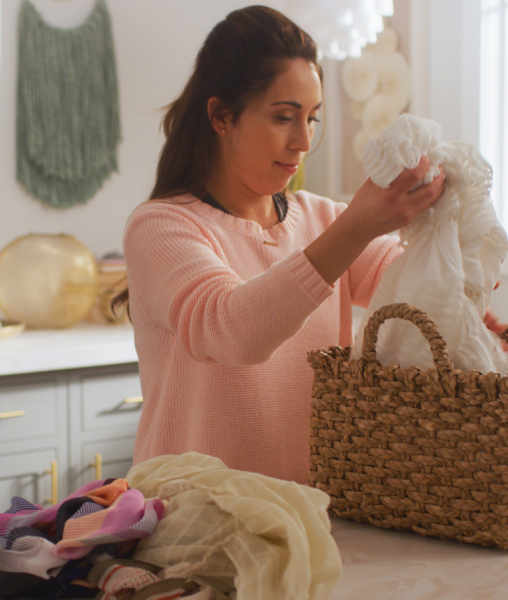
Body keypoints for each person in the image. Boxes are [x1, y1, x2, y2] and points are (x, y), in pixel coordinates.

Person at [117, 5, 447, 484]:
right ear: (221, 116)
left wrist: (457, 256)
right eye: (283, 117)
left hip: (309, 519)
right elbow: (230, 331)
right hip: (191, 520)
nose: (303, 141)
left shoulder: (321, 218)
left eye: (312, 118)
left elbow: (413, 292)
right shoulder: (161, 228)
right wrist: (356, 226)